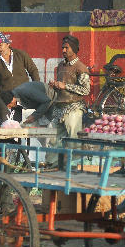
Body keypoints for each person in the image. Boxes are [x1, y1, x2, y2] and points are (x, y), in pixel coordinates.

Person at [45, 35, 90, 167]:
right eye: (63, 48)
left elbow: (86, 90)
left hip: (74, 108)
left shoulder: (80, 67)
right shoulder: (60, 66)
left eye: (66, 48)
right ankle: (52, 165)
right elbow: (62, 87)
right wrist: (56, 86)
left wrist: (65, 86)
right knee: (53, 137)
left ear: (74, 49)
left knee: (73, 139)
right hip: (59, 107)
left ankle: (75, 166)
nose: (63, 50)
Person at [0, 32, 40, 121]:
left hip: (24, 97)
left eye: (0, 45)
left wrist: (37, 87)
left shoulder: (21, 55)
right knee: (10, 124)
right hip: (8, 101)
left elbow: (33, 70)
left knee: (26, 124)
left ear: (8, 44)